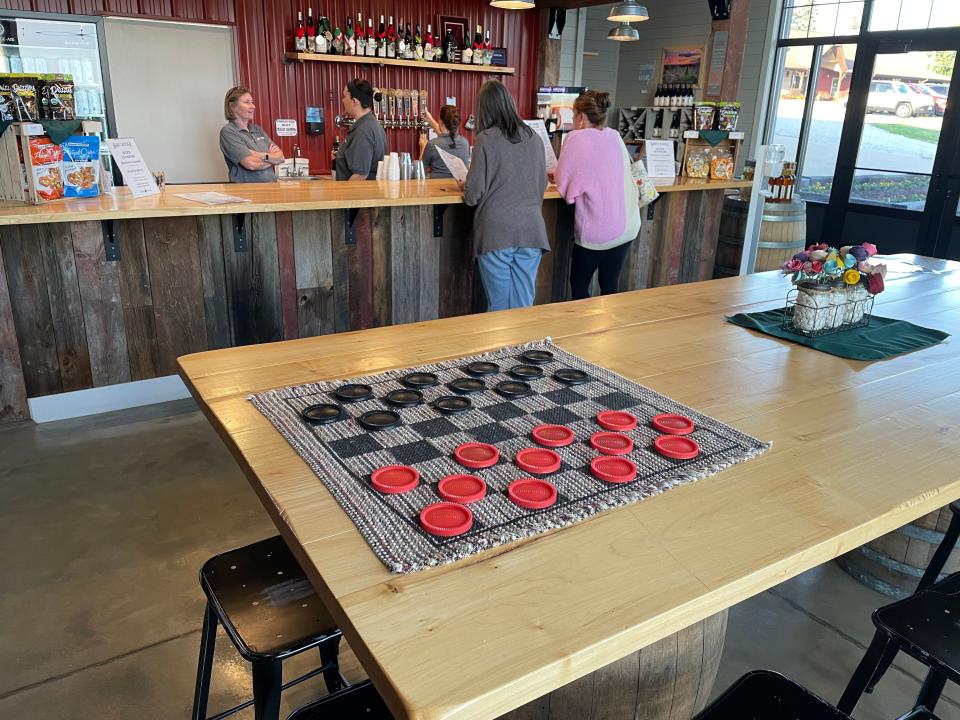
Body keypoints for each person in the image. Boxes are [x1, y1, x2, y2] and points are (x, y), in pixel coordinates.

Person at [462, 81, 549, 312]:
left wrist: (466, 183)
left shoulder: (485, 138)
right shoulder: (534, 137)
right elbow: (543, 184)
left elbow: (472, 195)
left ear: (485, 109)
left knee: (499, 307)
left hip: (496, 232)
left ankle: (503, 350)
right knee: (523, 305)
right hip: (531, 230)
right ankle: (524, 349)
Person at [555, 90, 641, 300]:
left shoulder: (576, 138)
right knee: (610, 286)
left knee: (579, 287)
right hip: (627, 226)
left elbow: (566, 189)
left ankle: (582, 331)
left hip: (598, 231)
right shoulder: (615, 136)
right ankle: (608, 331)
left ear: (581, 118)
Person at [219, 86, 284, 183]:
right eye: (247, 102)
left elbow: (280, 158)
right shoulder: (228, 132)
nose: (253, 106)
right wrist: (270, 157)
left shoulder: (257, 129)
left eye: (252, 102)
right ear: (232, 106)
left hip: (271, 188)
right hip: (247, 191)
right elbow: (251, 164)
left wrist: (259, 155)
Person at [334, 79, 387, 181]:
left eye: (344, 96)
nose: (342, 100)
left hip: (357, 195)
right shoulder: (372, 124)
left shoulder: (363, 130)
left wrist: (343, 195)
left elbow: (360, 175)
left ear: (354, 101)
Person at [418, 105, 470, 179]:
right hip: (459, 189)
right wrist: (430, 119)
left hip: (436, 189)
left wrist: (423, 147)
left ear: (441, 122)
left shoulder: (432, 144)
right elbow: (445, 138)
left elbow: (420, 170)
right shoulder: (465, 142)